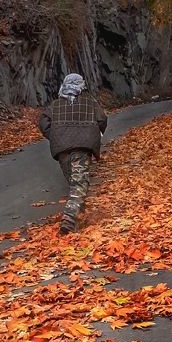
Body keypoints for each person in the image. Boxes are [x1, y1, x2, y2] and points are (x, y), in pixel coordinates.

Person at [39, 73, 108, 234]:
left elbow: (43, 123)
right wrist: (94, 134)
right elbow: (102, 120)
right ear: (81, 85)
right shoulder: (90, 102)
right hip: (81, 148)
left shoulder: (55, 105)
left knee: (74, 183)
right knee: (79, 185)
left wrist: (55, 136)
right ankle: (69, 219)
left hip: (62, 150)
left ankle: (80, 218)